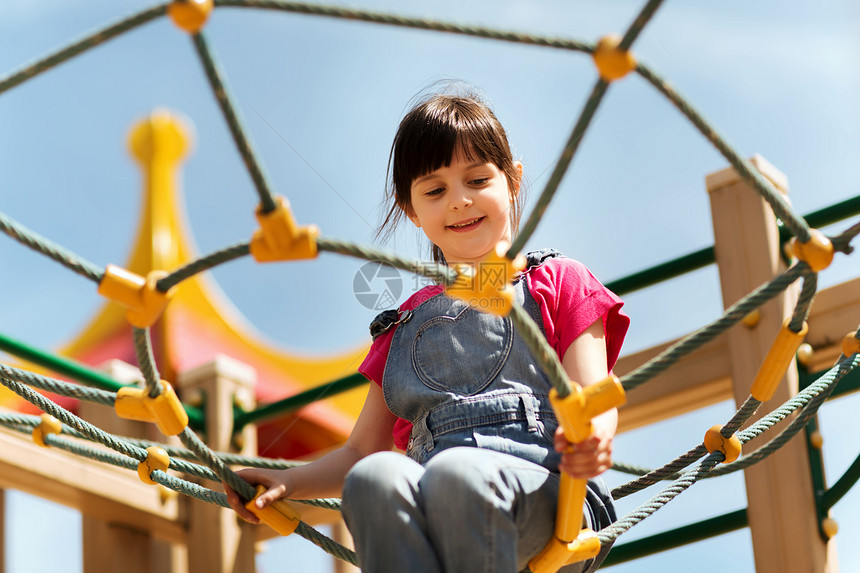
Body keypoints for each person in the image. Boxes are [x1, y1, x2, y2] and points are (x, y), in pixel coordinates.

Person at [224, 87, 629, 572]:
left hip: (551, 497)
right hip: (441, 509)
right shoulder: (404, 323)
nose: (458, 201)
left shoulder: (558, 281)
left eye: (477, 179)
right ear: (412, 209)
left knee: (458, 473)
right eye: (435, 191)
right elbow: (359, 450)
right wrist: (288, 482)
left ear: (513, 179)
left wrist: (596, 438)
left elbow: (592, 396)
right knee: (374, 477)